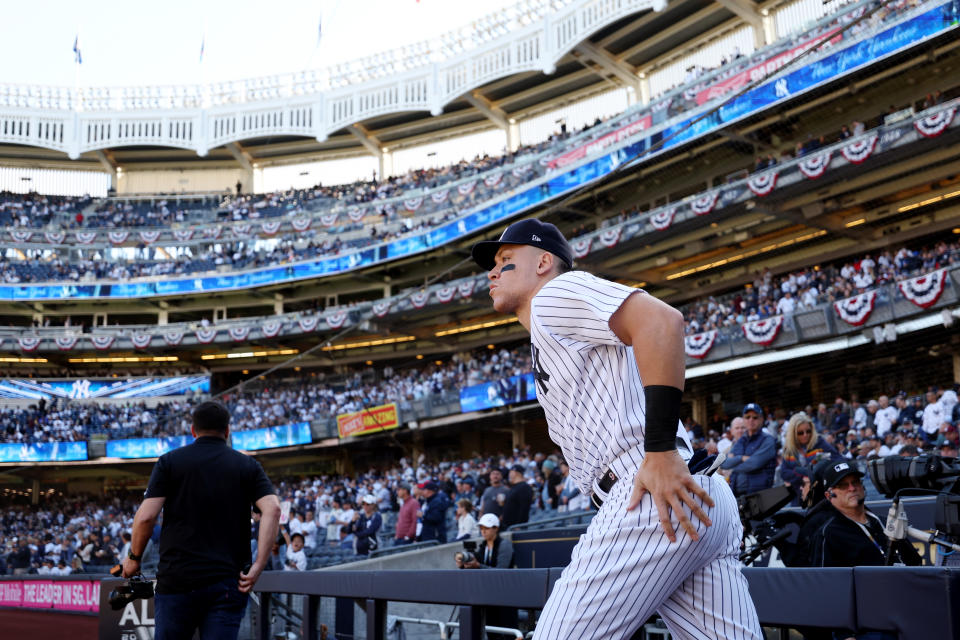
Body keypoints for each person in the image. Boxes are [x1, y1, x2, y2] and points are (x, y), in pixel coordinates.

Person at [472, 219, 760, 639]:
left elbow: (662, 322)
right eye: (493, 264)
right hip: (692, 495)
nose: (493, 272)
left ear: (544, 263)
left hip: (649, 488)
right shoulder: (553, 330)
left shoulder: (555, 293)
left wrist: (659, 450)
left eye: (507, 260)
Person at [121, 401, 281, 640]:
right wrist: (258, 565)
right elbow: (274, 509)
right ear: (227, 431)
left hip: (177, 581)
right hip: (227, 582)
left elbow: (146, 517)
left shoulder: (169, 462)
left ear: (193, 430)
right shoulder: (247, 465)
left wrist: (133, 559)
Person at [808, 461, 921, 568]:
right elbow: (823, 581)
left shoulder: (886, 523)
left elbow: (915, 563)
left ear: (862, 486)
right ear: (829, 496)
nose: (852, 488)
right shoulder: (827, 534)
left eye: (855, 482)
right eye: (843, 485)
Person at [779, 411, 840, 498]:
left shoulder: (819, 442)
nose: (805, 435)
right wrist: (803, 477)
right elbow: (784, 473)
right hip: (798, 496)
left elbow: (837, 459)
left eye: (808, 431)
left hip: (821, 494)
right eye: (800, 433)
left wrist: (806, 473)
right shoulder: (789, 449)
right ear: (793, 434)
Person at [721, 403, 777, 497]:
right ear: (743, 419)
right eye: (747, 417)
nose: (751, 420)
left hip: (760, 495)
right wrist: (741, 458)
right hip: (737, 494)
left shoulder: (768, 440)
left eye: (755, 417)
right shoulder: (741, 441)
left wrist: (733, 465)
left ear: (761, 419)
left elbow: (754, 464)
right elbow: (724, 463)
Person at [500, 465, 533, 530]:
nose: (509, 474)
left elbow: (524, 508)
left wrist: (519, 525)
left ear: (515, 472)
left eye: (510, 472)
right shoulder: (513, 487)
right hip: (508, 526)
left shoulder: (524, 487)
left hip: (516, 528)